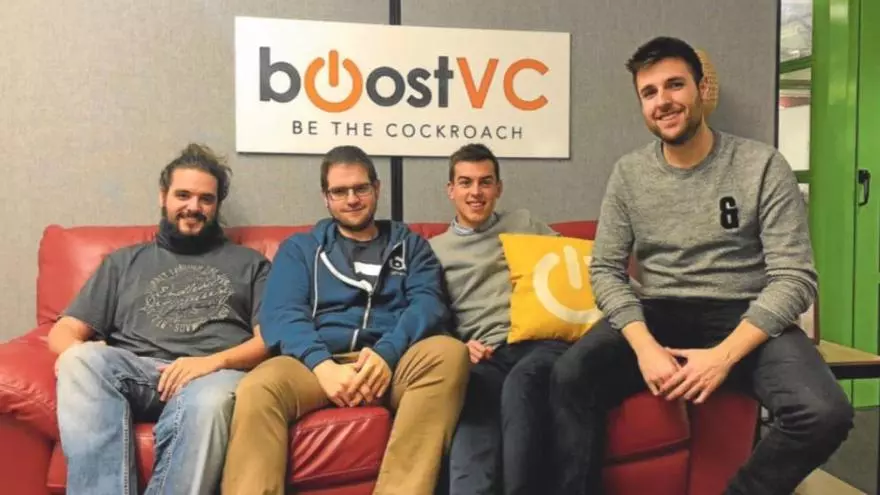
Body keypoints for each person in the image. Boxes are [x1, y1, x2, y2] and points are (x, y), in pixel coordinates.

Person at [550, 36, 854, 495]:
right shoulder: (629, 174)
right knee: (569, 376)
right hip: (658, 312)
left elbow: (795, 276)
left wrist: (723, 357)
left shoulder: (762, 165)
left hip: (744, 316)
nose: (663, 101)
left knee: (824, 413)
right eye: (649, 92)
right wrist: (644, 347)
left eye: (675, 85)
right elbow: (606, 270)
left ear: (701, 88)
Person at [221, 145, 469, 495]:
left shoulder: (411, 246)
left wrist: (387, 353)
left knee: (449, 353)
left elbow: (428, 304)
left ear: (377, 188)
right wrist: (322, 366)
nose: (352, 199)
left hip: (391, 363)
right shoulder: (301, 249)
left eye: (360, 188)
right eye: (339, 191)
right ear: (326, 198)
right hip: (315, 365)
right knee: (258, 388)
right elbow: (282, 314)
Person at [50, 143, 271, 495]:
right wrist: (75, 352)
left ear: (217, 205)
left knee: (211, 402)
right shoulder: (123, 262)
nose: (193, 207)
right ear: (163, 196)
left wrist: (210, 363)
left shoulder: (251, 264)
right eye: (183, 195)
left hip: (213, 375)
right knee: (79, 359)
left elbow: (268, 341)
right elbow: (64, 330)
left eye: (206, 199)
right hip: (136, 372)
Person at [430, 143, 567, 495]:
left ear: (498, 188)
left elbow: (573, 265)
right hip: (484, 355)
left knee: (523, 383)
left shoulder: (523, 223)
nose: (476, 192)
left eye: (485, 182)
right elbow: (428, 312)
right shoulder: (434, 251)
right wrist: (457, 346)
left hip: (539, 342)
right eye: (465, 183)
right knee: (472, 410)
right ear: (451, 190)